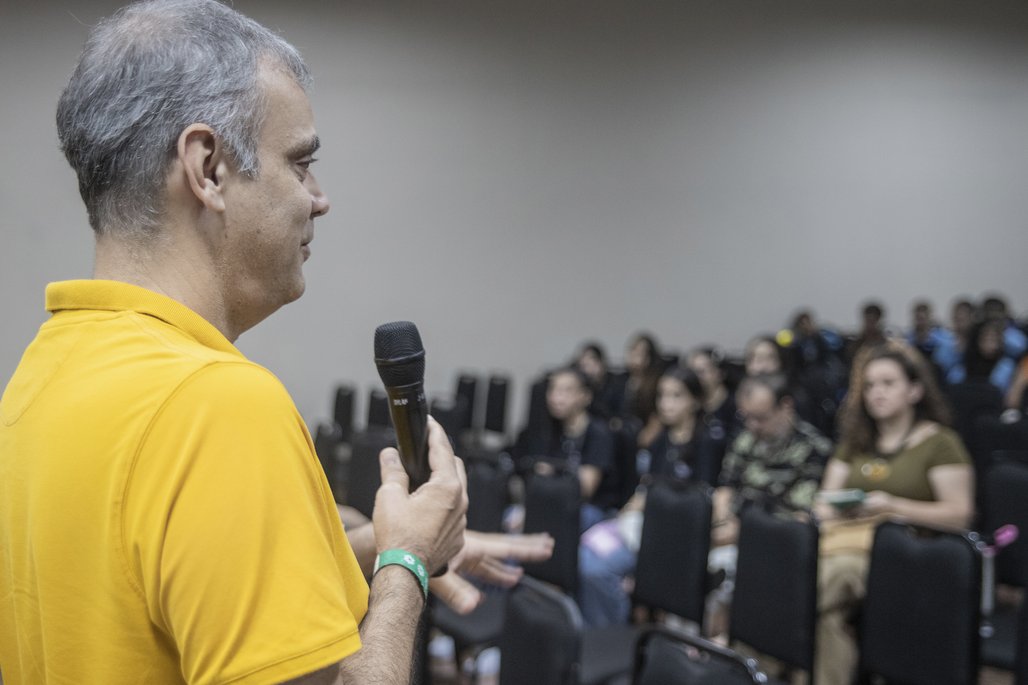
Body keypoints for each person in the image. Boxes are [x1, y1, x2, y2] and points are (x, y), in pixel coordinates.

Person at [0, 3, 551, 683]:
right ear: (208, 168)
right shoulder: (216, 406)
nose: (319, 198)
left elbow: (148, 584)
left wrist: (376, 542)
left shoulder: (41, 374)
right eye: (300, 162)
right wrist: (406, 566)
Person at [813, 341, 974, 685]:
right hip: (846, 539)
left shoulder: (940, 442)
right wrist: (841, 508)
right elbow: (824, 501)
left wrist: (891, 505)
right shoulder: (855, 441)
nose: (876, 394)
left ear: (915, 390)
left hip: (907, 554)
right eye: (869, 386)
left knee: (813, 583)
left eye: (888, 384)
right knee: (822, 615)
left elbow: (960, 514)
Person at [578, 366, 722, 627]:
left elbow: (702, 501)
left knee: (595, 568)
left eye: (676, 396)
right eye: (662, 396)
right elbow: (644, 489)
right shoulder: (661, 440)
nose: (666, 404)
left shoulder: (708, 441)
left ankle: (611, 634)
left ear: (695, 401)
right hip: (643, 524)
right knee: (586, 551)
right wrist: (629, 511)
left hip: (675, 534)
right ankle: (600, 629)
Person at [707, 374, 832, 636]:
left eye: (761, 417)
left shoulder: (813, 448)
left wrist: (736, 532)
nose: (753, 425)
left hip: (773, 539)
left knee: (720, 569)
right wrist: (720, 521)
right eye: (747, 417)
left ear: (785, 406)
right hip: (730, 529)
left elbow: (796, 515)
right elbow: (726, 487)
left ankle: (717, 648)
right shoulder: (746, 438)